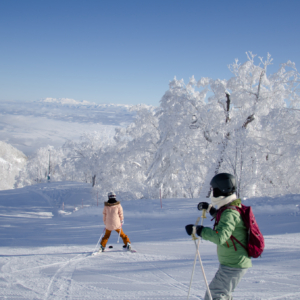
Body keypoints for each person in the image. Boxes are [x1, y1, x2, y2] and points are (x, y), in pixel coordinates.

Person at [185, 173, 252, 300]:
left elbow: (220, 236)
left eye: (214, 190)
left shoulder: (229, 212)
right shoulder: (232, 208)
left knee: (215, 294)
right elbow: (226, 223)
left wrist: (199, 230)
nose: (212, 194)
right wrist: (210, 209)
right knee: (222, 294)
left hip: (234, 264)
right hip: (233, 262)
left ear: (222, 190)